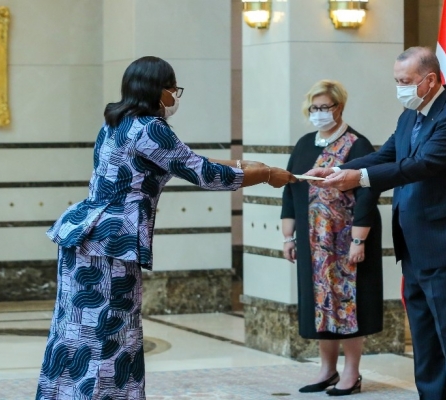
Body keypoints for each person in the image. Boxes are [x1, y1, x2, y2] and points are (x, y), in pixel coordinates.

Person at [35, 56, 296, 400]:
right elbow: (202, 173)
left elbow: (182, 160)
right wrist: (264, 175)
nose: (175, 96)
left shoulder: (117, 121)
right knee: (108, 336)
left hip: (83, 236)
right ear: (157, 90)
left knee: (74, 332)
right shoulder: (151, 128)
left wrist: (243, 164)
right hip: (113, 243)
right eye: (173, 88)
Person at [307, 47, 446, 400]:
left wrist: (359, 179)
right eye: (396, 81)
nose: (399, 88)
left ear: (430, 80)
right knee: (425, 340)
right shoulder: (410, 116)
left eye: (405, 81)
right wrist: (338, 169)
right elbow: (386, 155)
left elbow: (421, 165)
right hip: (415, 246)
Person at [281, 80, 383, 396]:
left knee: (349, 305)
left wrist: (358, 240)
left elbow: (368, 196)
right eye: (314, 108)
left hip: (347, 242)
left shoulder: (357, 145)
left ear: (339, 107)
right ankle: (327, 370)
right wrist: (288, 237)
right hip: (314, 244)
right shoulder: (304, 145)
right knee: (321, 304)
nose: (318, 113)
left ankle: (351, 373)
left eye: (324, 107)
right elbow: (290, 191)